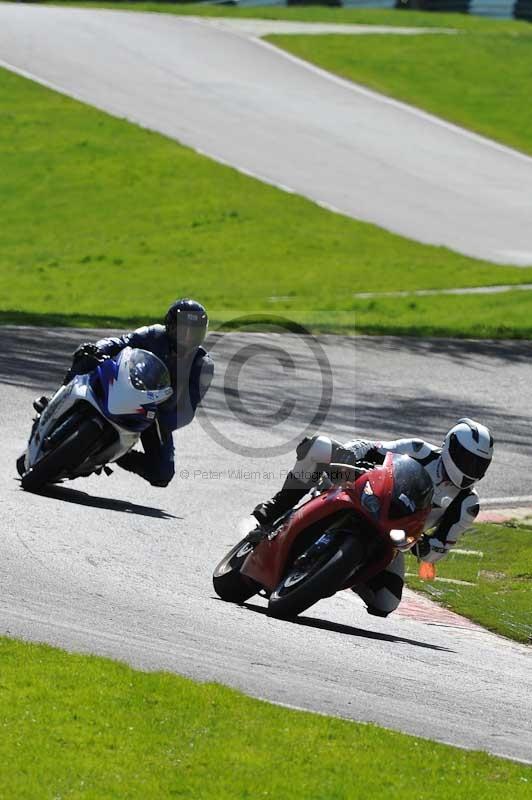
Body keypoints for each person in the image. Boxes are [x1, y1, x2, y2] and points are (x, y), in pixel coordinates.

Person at [251, 419, 494, 617]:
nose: (471, 469)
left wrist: (423, 546)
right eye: (466, 460)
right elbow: (370, 447)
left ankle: (345, 572)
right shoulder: (419, 450)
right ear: (450, 446)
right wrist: (350, 456)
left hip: (392, 538)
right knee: (319, 446)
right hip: (364, 495)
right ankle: (277, 507)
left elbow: (438, 550)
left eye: (478, 464)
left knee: (386, 602)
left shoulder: (467, 505)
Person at [33, 299, 213, 487]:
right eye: (183, 330)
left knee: (162, 474)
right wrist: (99, 349)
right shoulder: (153, 334)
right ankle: (54, 402)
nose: (188, 337)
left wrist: (163, 420)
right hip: (125, 384)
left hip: (155, 413)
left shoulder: (202, 365)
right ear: (170, 326)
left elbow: (188, 409)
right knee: (86, 356)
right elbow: (120, 342)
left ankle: (115, 454)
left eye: (194, 332)